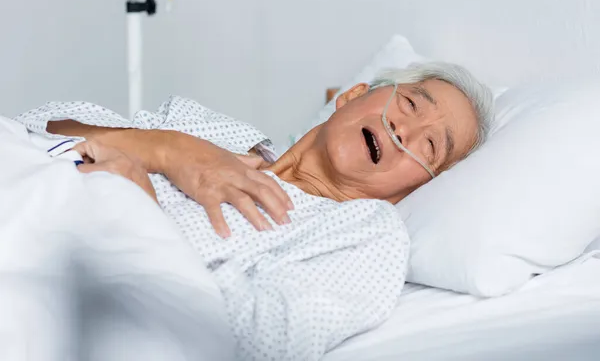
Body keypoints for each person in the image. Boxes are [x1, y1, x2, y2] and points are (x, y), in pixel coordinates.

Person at [16, 61, 493, 360]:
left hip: (65, 293)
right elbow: (38, 124)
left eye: (429, 146)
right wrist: (169, 148)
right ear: (352, 97)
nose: (401, 131)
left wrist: (139, 211)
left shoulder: (369, 236)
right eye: (409, 104)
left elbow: (259, 340)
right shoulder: (212, 129)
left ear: (412, 188)